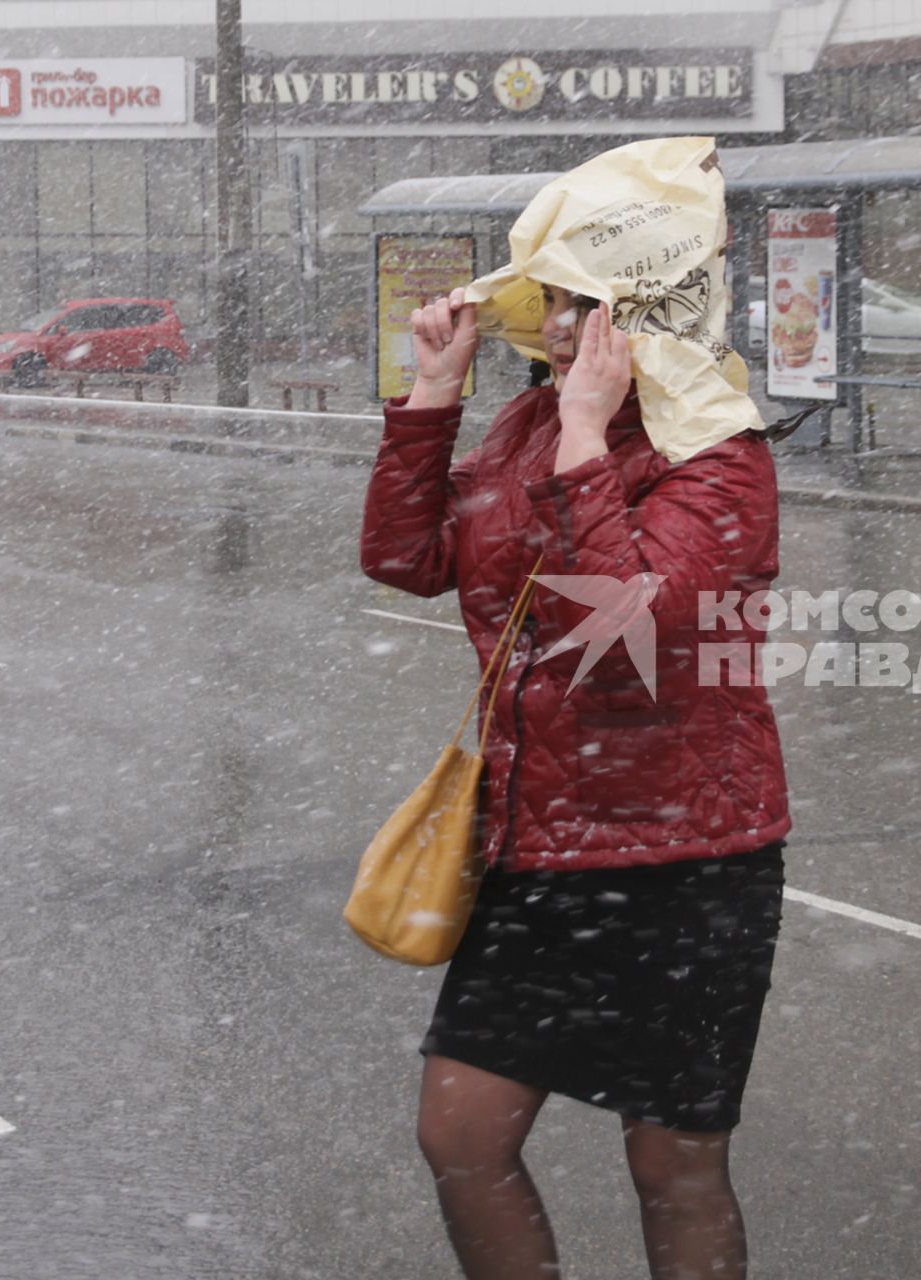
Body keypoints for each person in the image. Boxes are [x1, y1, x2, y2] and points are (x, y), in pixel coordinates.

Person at [360, 268, 789, 1273]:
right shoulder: (523, 427)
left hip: (687, 859)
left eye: (592, 309)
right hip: (540, 844)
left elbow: (626, 634)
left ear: (661, 322)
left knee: (672, 1159)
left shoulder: (722, 451)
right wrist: (433, 396)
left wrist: (590, 438)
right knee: (461, 1134)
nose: (560, 330)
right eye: (551, 303)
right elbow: (404, 555)